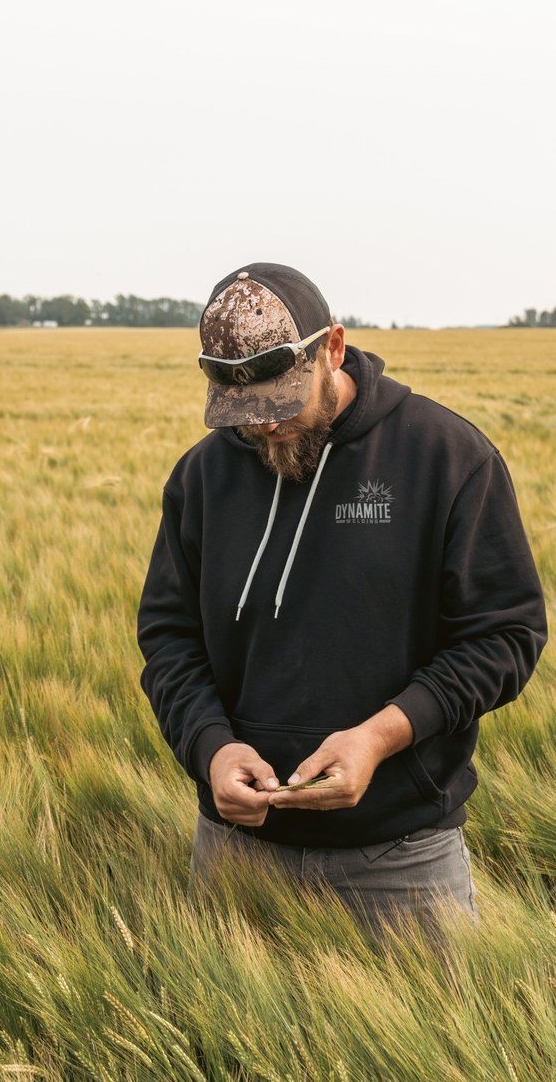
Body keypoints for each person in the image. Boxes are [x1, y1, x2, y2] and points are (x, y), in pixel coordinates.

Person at [136, 262, 547, 940]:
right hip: (234, 853)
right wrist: (210, 749)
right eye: (245, 414)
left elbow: (505, 635)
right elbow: (169, 638)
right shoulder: (202, 476)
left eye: (281, 402)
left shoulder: (445, 457)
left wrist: (379, 736)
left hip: (400, 863)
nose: (265, 429)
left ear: (331, 347)